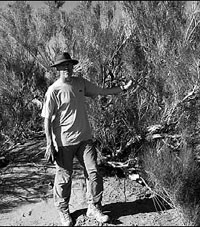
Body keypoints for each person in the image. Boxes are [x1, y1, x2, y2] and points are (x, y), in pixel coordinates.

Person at [41, 52, 133, 226]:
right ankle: (64, 211)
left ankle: (94, 206)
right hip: (63, 142)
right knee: (64, 178)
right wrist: (49, 144)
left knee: (94, 173)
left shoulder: (80, 83)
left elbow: (102, 91)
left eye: (69, 65)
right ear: (58, 69)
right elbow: (47, 119)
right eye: (63, 66)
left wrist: (124, 88)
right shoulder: (53, 90)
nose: (67, 68)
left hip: (85, 139)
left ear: (72, 66)